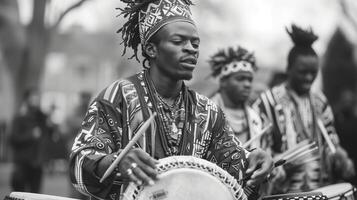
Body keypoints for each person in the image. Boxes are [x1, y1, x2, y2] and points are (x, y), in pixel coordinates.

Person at [69, 0, 273, 199]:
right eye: (178, 42)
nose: (191, 49)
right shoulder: (118, 97)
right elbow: (79, 163)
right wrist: (117, 161)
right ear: (151, 49)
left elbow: (231, 163)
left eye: (195, 43)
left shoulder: (208, 112)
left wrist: (254, 160)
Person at [252, 24, 355, 194]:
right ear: (289, 69)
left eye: (313, 72)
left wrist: (339, 159)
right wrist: (280, 166)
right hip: (282, 193)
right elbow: (259, 151)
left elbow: (331, 141)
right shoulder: (267, 102)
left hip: (322, 190)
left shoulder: (320, 101)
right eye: (302, 72)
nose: (309, 78)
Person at [209, 45, 266, 147]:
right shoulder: (206, 114)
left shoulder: (255, 118)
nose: (247, 84)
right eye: (240, 79)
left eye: (249, 80)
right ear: (223, 82)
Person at [9, 89, 49, 193]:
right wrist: (31, 135)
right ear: (27, 100)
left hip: (37, 163)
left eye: (37, 98)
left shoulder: (41, 118)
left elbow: (47, 136)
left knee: (35, 194)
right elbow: (13, 139)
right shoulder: (19, 118)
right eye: (33, 98)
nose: (35, 101)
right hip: (22, 163)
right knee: (19, 193)